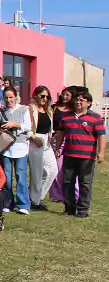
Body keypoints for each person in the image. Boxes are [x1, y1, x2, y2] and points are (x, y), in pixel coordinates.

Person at [53, 89, 106, 218]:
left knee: (85, 184)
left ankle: (83, 210)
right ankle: (69, 208)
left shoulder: (95, 118)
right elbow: (60, 134)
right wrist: (57, 149)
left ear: (89, 103)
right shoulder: (67, 117)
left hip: (87, 157)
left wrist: (101, 153)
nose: (78, 102)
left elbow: (101, 136)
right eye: (77, 99)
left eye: (82, 100)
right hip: (69, 155)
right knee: (68, 182)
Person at [0, 87, 32, 214]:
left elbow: (28, 126)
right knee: (6, 177)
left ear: (16, 97)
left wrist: (14, 125)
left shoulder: (24, 109)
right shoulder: (0, 111)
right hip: (6, 147)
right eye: (6, 97)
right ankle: (8, 202)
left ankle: (24, 204)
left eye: (11, 97)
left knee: (21, 176)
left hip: (20, 146)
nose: (8, 100)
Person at [27, 86, 58, 210]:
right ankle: (35, 201)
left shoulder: (49, 110)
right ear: (35, 96)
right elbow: (26, 126)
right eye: (42, 96)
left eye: (47, 96)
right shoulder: (31, 109)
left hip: (47, 142)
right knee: (36, 173)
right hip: (35, 140)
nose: (45, 98)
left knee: (52, 170)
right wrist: (33, 137)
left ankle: (37, 196)